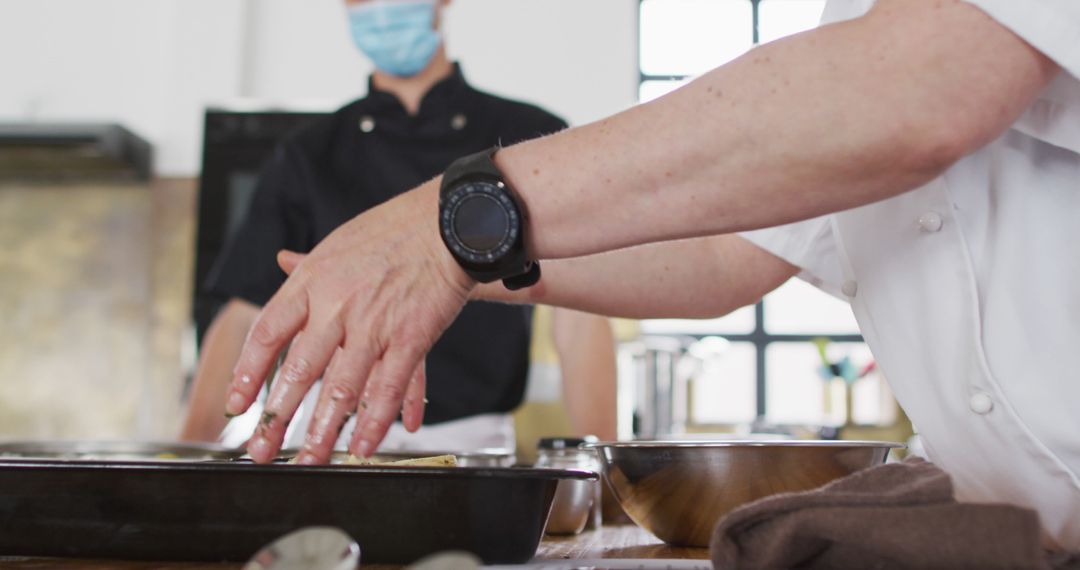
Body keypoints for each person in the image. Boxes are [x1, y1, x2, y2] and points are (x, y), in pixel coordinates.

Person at [223, 0, 1080, 550]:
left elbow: (916, 91)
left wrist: (440, 227)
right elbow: (722, 254)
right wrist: (456, 267)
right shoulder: (845, 14)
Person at [179, 0, 617, 451]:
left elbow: (579, 314)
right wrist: (188, 453)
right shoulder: (309, 156)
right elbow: (245, 317)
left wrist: (609, 468)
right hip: (334, 443)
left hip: (475, 448)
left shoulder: (529, 138)